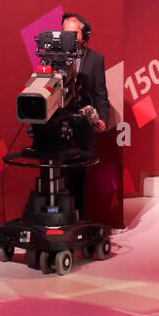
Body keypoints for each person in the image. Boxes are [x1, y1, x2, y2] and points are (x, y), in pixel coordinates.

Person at [61, 12, 110, 220]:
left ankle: (77, 223)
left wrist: (103, 120)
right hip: (58, 129)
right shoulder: (53, 57)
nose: (68, 38)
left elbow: (101, 95)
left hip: (82, 129)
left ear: (85, 35)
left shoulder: (96, 60)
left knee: (77, 179)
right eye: (65, 34)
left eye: (73, 33)